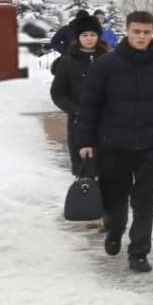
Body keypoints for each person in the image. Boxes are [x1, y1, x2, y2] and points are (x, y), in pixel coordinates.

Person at [71, 10, 153, 273]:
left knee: (146, 201)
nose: (141, 37)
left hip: (149, 145)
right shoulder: (105, 65)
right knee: (114, 198)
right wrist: (85, 141)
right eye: (136, 31)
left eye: (147, 32)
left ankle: (139, 251)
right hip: (113, 145)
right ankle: (114, 229)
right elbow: (89, 106)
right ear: (127, 31)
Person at [49, 19, 109, 189]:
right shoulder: (67, 61)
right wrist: (75, 110)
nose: (89, 38)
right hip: (79, 124)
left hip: (107, 123)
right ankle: (87, 201)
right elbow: (57, 93)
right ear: (78, 37)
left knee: (109, 171)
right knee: (84, 171)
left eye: (93, 34)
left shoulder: (109, 59)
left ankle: (110, 204)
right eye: (85, 35)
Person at [48, 10, 115, 55]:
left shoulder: (92, 29)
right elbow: (55, 41)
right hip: (70, 58)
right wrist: (66, 52)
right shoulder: (66, 29)